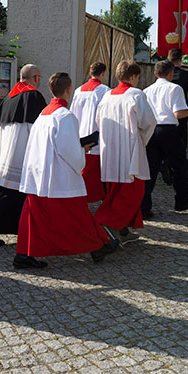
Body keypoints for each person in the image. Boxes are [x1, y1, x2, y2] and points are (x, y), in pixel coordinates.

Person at [15, 72, 117, 269]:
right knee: (77, 214)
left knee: (34, 216)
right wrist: (83, 151)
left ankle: (23, 253)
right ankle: (98, 245)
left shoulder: (44, 114)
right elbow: (69, 151)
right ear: (69, 90)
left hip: (38, 175)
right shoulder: (65, 116)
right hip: (58, 176)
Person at [0, 64, 46, 247]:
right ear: (36, 78)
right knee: (10, 198)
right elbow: (39, 129)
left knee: (12, 197)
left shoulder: (9, 97)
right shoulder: (34, 95)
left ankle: (18, 230)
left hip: (7, 154)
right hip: (22, 155)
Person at [95, 61, 156, 244]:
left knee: (115, 191)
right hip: (129, 150)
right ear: (134, 76)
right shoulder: (136, 94)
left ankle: (122, 230)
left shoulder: (107, 96)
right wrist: (141, 141)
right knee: (132, 193)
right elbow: (148, 123)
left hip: (109, 150)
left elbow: (98, 120)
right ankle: (106, 223)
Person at [141, 61, 188, 217]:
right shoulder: (175, 88)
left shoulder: (147, 90)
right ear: (171, 73)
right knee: (179, 166)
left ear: (155, 73)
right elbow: (179, 114)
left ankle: (144, 206)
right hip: (168, 129)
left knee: (149, 169)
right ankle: (181, 201)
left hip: (151, 130)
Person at [69, 61, 110, 203]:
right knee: (92, 176)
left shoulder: (78, 90)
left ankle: (78, 198)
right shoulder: (104, 90)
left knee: (81, 170)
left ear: (90, 73)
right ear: (103, 73)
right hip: (95, 136)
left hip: (79, 134)